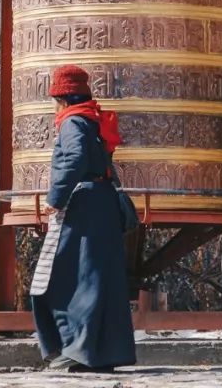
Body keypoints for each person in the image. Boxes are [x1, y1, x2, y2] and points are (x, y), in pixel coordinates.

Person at [30, 65, 136, 372]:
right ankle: (97, 354)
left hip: (83, 207)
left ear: (61, 99)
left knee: (60, 280)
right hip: (101, 205)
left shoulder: (73, 122)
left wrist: (55, 199)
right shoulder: (92, 121)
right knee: (96, 282)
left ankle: (74, 350)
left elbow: (75, 159)